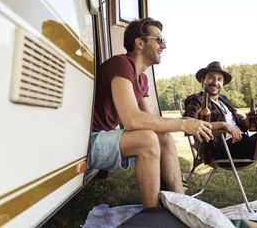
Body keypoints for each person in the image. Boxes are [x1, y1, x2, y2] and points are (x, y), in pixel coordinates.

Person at [87, 18, 213, 208]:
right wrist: (182, 124)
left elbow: (153, 120)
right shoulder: (121, 64)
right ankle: (153, 214)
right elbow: (131, 119)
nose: (164, 46)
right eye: (159, 40)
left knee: (163, 136)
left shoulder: (142, 79)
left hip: (102, 139)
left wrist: (186, 121)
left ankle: (183, 205)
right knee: (147, 139)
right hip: (85, 142)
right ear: (139, 43)